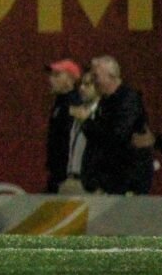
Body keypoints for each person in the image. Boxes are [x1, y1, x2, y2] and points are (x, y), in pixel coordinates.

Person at [76, 56, 152, 195]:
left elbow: (117, 137)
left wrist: (87, 123)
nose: (94, 81)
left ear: (111, 76)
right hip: (109, 183)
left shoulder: (127, 99)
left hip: (127, 183)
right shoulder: (105, 102)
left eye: (96, 76)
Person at [43, 59, 82, 193]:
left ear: (70, 79)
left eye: (57, 75)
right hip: (57, 173)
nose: (51, 79)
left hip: (67, 175)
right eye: (51, 75)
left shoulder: (74, 103)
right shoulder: (60, 103)